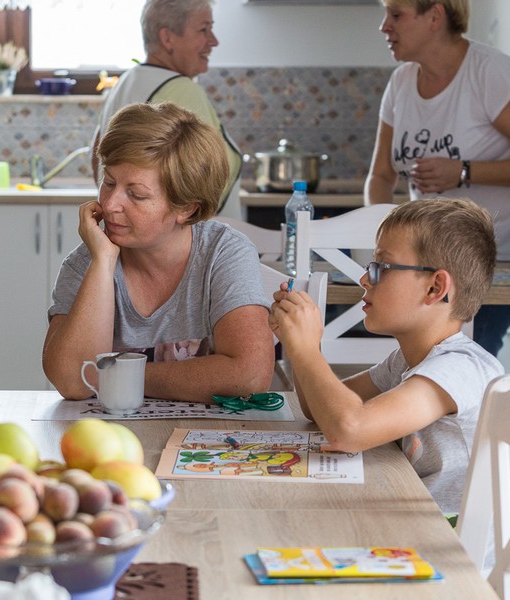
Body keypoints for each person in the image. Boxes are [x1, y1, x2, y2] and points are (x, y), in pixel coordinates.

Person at [270, 198, 503, 514]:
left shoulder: (459, 368)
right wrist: (299, 344)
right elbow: (318, 409)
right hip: (416, 526)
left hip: (453, 551)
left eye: (381, 267)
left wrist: (307, 349)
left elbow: (348, 430)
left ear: (435, 288)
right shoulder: (406, 361)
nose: (364, 279)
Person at [44, 102, 274, 403]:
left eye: (136, 194)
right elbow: (74, 382)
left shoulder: (223, 253)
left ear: (186, 207)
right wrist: (102, 261)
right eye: (109, 182)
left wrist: (114, 376)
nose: (110, 204)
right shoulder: (86, 262)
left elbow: (250, 375)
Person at [364, 0, 510, 358]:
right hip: (422, 267)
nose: (385, 26)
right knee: (416, 372)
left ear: (435, 16)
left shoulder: (488, 72)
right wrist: (384, 242)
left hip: (490, 264)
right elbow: (381, 175)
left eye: (396, 15)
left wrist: (463, 170)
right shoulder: (400, 82)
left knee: (455, 376)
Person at [92, 0, 243, 217]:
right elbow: (204, 182)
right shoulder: (182, 89)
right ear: (167, 38)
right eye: (203, 29)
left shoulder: (127, 81)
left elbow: (97, 157)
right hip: (189, 246)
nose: (213, 41)